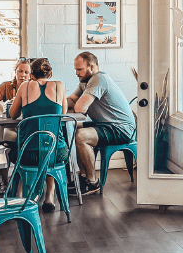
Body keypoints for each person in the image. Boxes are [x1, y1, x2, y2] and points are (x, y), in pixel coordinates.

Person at [67, 52, 136, 194]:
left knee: (81, 136)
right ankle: (83, 176)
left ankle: (93, 182)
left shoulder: (99, 79)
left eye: (79, 69)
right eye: (75, 69)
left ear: (91, 66)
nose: (76, 73)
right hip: (105, 125)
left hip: (121, 128)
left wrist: (74, 103)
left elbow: (80, 107)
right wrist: (57, 101)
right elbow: (72, 100)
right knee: (72, 129)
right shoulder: (85, 82)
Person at [9, 57, 69, 212]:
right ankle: (50, 194)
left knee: (18, 149)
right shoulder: (59, 85)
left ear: (32, 75)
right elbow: (63, 113)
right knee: (48, 145)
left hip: (29, 155)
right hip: (56, 153)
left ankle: (22, 195)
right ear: (51, 73)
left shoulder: (24, 87)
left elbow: (13, 114)